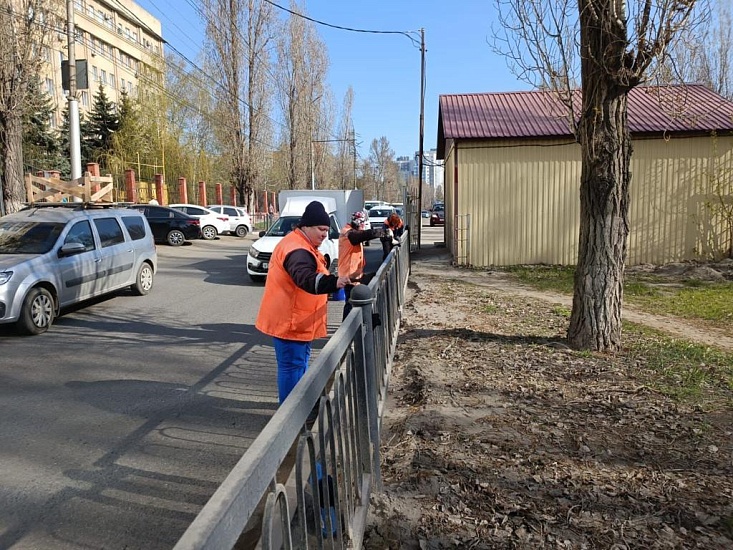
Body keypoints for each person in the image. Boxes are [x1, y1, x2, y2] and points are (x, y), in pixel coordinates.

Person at [255, 201, 351, 404]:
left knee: (297, 365)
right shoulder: (297, 249)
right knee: (292, 366)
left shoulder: (302, 244)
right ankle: (290, 417)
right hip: (290, 321)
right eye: (321, 229)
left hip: (295, 320)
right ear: (306, 226)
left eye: (327, 230)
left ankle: (299, 407)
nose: (325, 234)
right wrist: (334, 282)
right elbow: (306, 278)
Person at [339, 211, 383, 319]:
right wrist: (380, 232)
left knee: (354, 301)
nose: (363, 226)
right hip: (349, 274)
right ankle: (347, 329)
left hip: (355, 273)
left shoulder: (353, 231)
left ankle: (359, 323)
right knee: (350, 302)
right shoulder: (347, 232)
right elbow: (358, 237)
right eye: (362, 224)